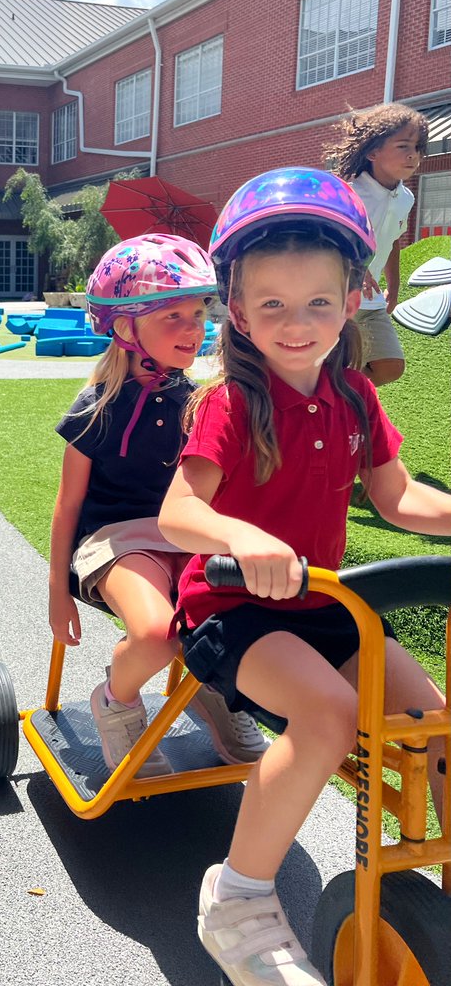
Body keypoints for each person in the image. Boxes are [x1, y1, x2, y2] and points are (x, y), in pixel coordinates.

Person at [157, 167, 449, 986]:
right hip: (233, 608)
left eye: (317, 302)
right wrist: (242, 535)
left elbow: (396, 499)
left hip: (326, 603)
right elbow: (180, 513)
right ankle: (238, 900)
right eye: (272, 305)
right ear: (238, 312)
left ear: (351, 301)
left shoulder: (354, 395)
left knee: (436, 729)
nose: (296, 323)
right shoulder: (228, 401)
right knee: (325, 716)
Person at [49, 235, 269, 779]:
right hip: (115, 538)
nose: (195, 328)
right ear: (125, 327)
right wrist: (58, 591)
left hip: (182, 534)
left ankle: (219, 694)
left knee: (241, 616)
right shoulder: (95, 407)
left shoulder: (199, 400)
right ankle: (117, 701)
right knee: (156, 634)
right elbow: (67, 503)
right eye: (174, 315)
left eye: (199, 313)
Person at [324, 103, 427, 386]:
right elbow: (325, 241)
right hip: (332, 298)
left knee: (389, 366)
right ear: (372, 152)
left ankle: (339, 401)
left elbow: (392, 241)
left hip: (370, 301)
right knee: (328, 362)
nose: (413, 155)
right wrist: (356, 265)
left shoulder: (405, 197)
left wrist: (393, 287)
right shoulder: (349, 194)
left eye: (418, 147)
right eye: (403, 146)